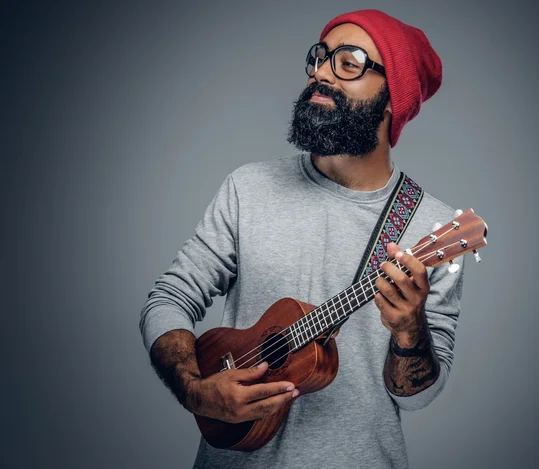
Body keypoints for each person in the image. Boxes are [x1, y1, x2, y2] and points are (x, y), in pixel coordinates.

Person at [139, 9, 465, 469]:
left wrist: (410, 330)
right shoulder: (247, 188)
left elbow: (415, 397)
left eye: (348, 62)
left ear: (395, 96)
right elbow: (169, 297)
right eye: (320, 57)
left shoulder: (432, 228)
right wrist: (196, 390)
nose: (320, 73)